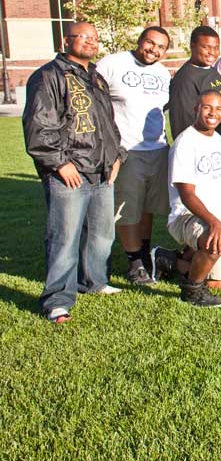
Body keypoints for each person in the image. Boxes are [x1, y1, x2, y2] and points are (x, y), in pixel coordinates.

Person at [23, 21, 125, 323]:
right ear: (66, 40)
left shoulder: (95, 77)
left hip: (102, 170)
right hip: (70, 171)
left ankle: (94, 281)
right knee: (64, 238)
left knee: (102, 234)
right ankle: (57, 300)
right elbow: (38, 127)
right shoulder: (49, 76)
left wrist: (117, 156)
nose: (91, 43)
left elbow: (108, 122)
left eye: (95, 38)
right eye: (84, 37)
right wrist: (60, 162)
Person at [94, 26, 171, 286]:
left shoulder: (162, 72)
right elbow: (94, 100)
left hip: (158, 149)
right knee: (127, 209)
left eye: (161, 47)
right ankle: (134, 263)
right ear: (139, 41)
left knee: (148, 207)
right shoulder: (113, 64)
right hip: (127, 151)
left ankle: (145, 253)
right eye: (150, 43)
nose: (154, 49)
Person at [167, 91, 221, 308]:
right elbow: (187, 194)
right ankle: (193, 291)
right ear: (196, 108)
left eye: (219, 109)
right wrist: (214, 223)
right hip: (186, 214)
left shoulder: (217, 138)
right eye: (207, 107)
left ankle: (171, 260)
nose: (213, 113)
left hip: (214, 214)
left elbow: (217, 180)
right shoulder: (185, 142)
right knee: (213, 243)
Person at [168, 25, 221, 140]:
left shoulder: (211, 70)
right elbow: (182, 123)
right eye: (206, 47)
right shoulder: (185, 79)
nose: (212, 52)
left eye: (216, 48)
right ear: (192, 46)